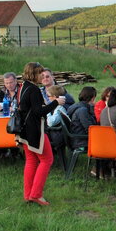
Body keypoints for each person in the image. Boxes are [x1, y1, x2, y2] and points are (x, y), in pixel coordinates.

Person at [16, 62, 65, 206]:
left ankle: (28, 195)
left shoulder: (23, 87)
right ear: (34, 74)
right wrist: (56, 102)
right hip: (35, 130)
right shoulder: (34, 89)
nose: (42, 77)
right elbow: (39, 112)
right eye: (40, 74)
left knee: (31, 161)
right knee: (47, 159)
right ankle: (36, 194)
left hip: (25, 130)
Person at [45, 84, 68, 152]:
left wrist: (47, 110)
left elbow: (50, 123)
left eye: (48, 96)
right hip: (56, 134)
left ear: (54, 97)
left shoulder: (60, 108)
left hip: (58, 136)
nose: (48, 98)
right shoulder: (57, 107)